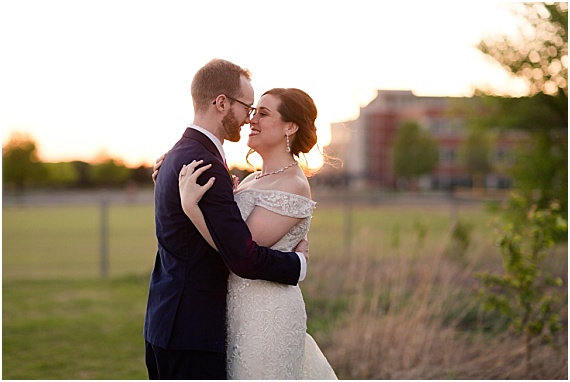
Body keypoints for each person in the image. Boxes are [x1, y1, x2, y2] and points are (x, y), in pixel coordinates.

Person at [143, 59, 309, 380]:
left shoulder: (180, 154)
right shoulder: (204, 163)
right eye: (248, 107)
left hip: (168, 320)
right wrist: (297, 264)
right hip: (191, 330)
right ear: (221, 103)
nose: (249, 119)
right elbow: (241, 257)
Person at [177, 87, 337, 379]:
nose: (252, 120)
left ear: (290, 126)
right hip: (237, 309)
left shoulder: (294, 184)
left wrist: (192, 208)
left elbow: (238, 251)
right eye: (253, 112)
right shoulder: (252, 179)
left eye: (264, 113)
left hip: (268, 315)